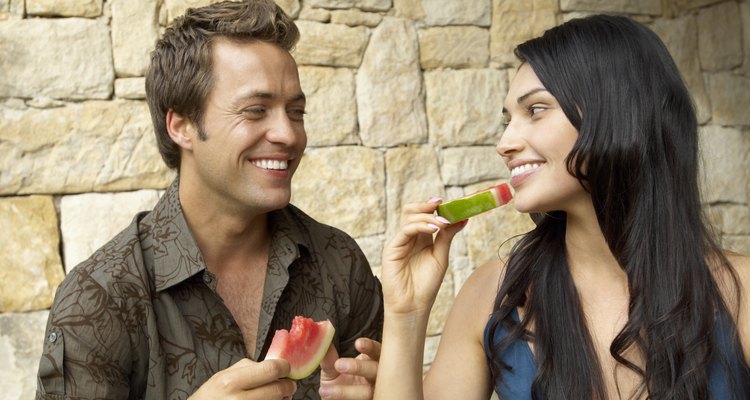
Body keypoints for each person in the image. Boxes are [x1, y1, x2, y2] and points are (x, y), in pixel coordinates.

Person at [372, 14, 750, 400]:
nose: (505, 142)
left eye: (535, 110)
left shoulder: (742, 291)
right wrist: (408, 312)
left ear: (617, 112)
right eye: (507, 120)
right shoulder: (491, 295)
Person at [35, 1, 382, 399]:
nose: (288, 134)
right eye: (256, 110)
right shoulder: (99, 299)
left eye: (296, 111)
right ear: (181, 125)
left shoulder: (340, 262)